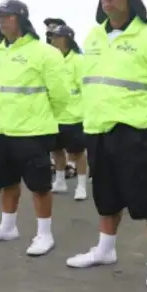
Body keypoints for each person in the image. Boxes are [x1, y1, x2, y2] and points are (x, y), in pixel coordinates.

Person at [66, 0, 147, 288]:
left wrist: (144, 113)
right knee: (107, 196)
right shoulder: (94, 37)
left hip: (135, 130)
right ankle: (105, 249)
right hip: (99, 129)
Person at [0, 0, 69, 256]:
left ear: (22, 19)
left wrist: (44, 118)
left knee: (39, 186)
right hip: (1, 129)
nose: (2, 21)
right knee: (6, 183)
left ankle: (44, 234)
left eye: (8, 16)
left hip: (33, 131)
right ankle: (7, 227)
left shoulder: (44, 52)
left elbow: (60, 95)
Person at [48, 23, 88, 200]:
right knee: (56, 150)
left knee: (77, 153)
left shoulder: (78, 60)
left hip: (74, 115)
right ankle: (60, 180)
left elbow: (85, 88)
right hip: (55, 114)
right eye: (52, 37)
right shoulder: (50, 59)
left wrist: (86, 113)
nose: (53, 40)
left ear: (67, 39)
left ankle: (81, 185)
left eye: (57, 37)